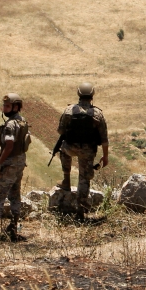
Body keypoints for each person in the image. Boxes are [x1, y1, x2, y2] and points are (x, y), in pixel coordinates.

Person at [56, 82, 108, 219]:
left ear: (79, 94)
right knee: (84, 179)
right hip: (88, 151)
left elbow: (60, 130)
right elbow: (104, 139)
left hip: (70, 148)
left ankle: (66, 180)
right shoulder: (98, 114)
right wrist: (105, 156)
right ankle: (81, 211)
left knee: (63, 150)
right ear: (92, 95)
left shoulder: (69, 111)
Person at [0, 93, 31, 241]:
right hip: (19, 162)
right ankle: (13, 226)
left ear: (16, 107)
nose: (4, 109)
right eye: (4, 106)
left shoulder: (10, 125)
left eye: (7, 106)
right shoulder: (22, 121)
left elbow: (9, 146)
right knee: (15, 195)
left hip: (9, 163)